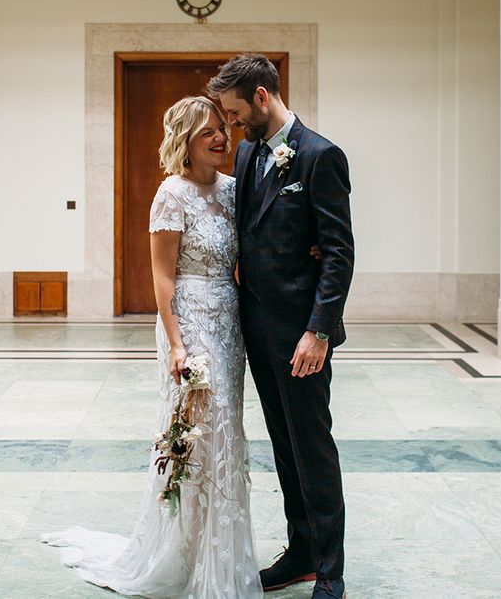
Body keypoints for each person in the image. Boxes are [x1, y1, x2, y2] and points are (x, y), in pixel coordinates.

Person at [44, 96, 263, 598]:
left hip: (229, 323)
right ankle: (179, 553)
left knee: (227, 435)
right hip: (189, 322)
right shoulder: (171, 194)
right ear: (185, 141)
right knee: (196, 435)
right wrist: (177, 346)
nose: (220, 138)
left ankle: (221, 558)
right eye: (208, 131)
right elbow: (162, 278)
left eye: (221, 131)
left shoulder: (233, 191)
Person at [207, 54, 354, 599]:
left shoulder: (321, 156)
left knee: (313, 447)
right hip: (258, 330)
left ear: (263, 98)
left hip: (302, 337)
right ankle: (300, 553)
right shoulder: (248, 154)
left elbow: (338, 253)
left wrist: (319, 331)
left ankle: (331, 570)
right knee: (284, 446)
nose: (233, 123)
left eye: (236, 111)